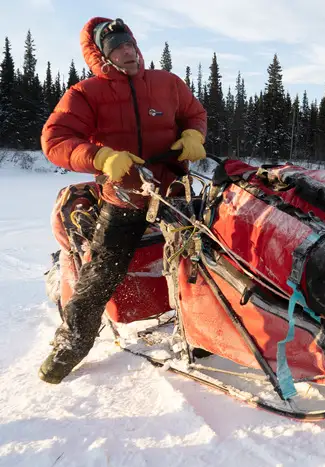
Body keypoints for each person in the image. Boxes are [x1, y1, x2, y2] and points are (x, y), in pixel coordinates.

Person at [38, 17, 207, 384]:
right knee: (103, 270)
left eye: (129, 44)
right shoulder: (85, 93)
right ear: (102, 56)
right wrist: (99, 158)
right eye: (117, 47)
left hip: (175, 190)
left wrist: (194, 132)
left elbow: (194, 112)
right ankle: (72, 343)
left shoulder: (168, 83)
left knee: (204, 257)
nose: (127, 52)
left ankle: (206, 327)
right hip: (126, 193)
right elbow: (55, 139)